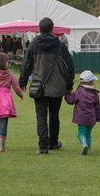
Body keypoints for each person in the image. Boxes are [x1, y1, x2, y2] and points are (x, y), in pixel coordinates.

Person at [19, 17, 76, 155]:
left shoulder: (33, 45)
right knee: (54, 115)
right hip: (57, 86)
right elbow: (69, 67)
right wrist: (69, 85)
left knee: (41, 116)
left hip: (39, 86)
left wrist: (23, 82)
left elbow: (26, 64)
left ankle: (43, 146)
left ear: (39, 29)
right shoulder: (60, 45)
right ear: (52, 29)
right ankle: (53, 142)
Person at [65, 70, 100, 155]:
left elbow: (70, 101)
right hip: (91, 118)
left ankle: (84, 144)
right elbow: (97, 107)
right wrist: (98, 118)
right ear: (92, 81)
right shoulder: (95, 93)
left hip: (81, 117)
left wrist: (66, 94)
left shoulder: (78, 92)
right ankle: (89, 149)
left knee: (81, 133)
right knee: (88, 133)